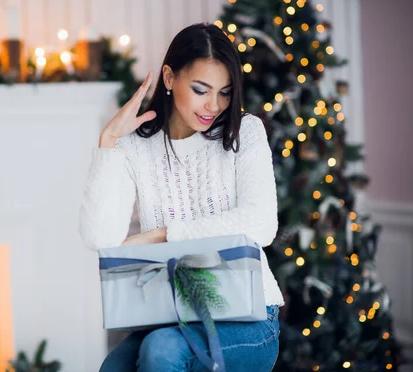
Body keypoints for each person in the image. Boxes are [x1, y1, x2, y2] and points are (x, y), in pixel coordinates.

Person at [79, 22, 284, 372]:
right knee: (113, 367)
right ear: (170, 78)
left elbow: (261, 224)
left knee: (163, 350)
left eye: (224, 92)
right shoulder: (135, 149)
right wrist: (109, 141)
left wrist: (163, 235)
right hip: (171, 315)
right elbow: (101, 238)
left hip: (251, 317)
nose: (214, 105)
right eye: (201, 89)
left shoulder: (244, 132)